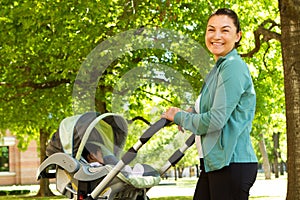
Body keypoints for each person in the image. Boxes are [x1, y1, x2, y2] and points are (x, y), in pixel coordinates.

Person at [161, 8, 258, 200]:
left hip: (231, 164)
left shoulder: (233, 67)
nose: (216, 36)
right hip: (216, 163)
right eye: (211, 30)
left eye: (225, 30)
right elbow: (206, 107)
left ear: (237, 36)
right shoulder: (218, 69)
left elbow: (215, 120)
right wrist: (189, 111)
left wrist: (180, 116)